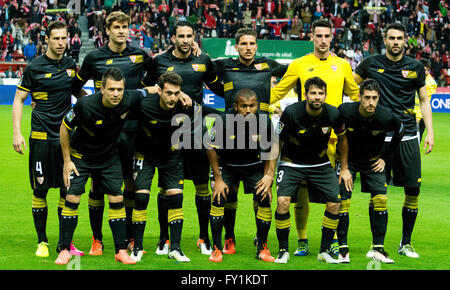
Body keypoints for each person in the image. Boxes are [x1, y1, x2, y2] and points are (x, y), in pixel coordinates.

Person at [269, 19, 359, 257]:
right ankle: (302, 239)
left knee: (339, 193)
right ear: (312, 37)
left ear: (332, 37)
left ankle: (334, 240)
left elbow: (356, 93)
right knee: (301, 193)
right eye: (318, 36)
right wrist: (247, 101)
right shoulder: (299, 64)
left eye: (326, 36)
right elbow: (278, 91)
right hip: (307, 138)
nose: (322, 40)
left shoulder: (342, 65)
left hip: (334, 139)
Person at [71, 11, 150, 256]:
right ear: (107, 30)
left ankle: (127, 240)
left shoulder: (140, 55)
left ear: (129, 29)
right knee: (96, 186)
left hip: (134, 131)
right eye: (116, 27)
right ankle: (97, 240)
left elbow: (160, 75)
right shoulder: (94, 57)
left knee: (129, 184)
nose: (121, 31)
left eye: (125, 27)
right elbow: (75, 87)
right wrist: (91, 107)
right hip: (103, 134)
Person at [142, 20, 223, 256]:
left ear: (194, 37)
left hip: (195, 132)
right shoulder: (160, 62)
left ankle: (203, 237)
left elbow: (219, 88)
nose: (185, 40)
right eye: (181, 36)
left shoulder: (203, 60)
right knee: (165, 190)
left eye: (189, 36)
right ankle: (164, 238)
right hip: (166, 134)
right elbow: (145, 87)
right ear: (173, 37)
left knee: (201, 188)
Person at [353, 22, 434, 258]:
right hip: (378, 137)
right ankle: (376, 245)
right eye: (392, 38)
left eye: (400, 38)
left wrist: (429, 131)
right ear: (384, 39)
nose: (396, 42)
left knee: (413, 190)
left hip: (408, 135)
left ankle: (405, 243)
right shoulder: (370, 63)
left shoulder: (416, 67)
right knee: (378, 192)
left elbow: (423, 100)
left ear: (405, 40)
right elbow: (352, 87)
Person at [55, 67, 146, 265]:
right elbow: (64, 127)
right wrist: (67, 160)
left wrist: (181, 93)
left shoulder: (129, 98)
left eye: (120, 90)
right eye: (112, 89)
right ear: (102, 89)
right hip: (81, 156)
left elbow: (152, 90)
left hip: (108, 157)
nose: (116, 94)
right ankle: (64, 250)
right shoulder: (84, 105)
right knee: (72, 197)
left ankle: (120, 251)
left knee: (117, 198)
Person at [211, 27, 288, 254]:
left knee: (261, 191)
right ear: (236, 47)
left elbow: (296, 72)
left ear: (256, 45)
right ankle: (228, 239)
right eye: (243, 44)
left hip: (258, 131)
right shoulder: (224, 65)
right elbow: (203, 69)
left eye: (251, 44)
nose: (248, 48)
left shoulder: (268, 65)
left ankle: (261, 242)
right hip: (230, 131)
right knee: (228, 193)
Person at [12, 20, 83, 258]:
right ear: (47, 40)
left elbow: (77, 92)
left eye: (64, 38)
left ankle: (65, 243)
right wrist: (16, 132)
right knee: (40, 191)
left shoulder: (71, 65)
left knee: (67, 191)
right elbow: (19, 100)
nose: (61, 43)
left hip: (66, 139)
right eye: (56, 39)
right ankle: (42, 241)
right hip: (41, 139)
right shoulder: (34, 68)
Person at [266, 76, 352, 264]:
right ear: (305, 95)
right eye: (313, 93)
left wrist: (344, 168)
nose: (317, 97)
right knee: (282, 202)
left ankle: (324, 251)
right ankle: (283, 250)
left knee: (335, 203)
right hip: (291, 163)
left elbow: (344, 140)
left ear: (326, 95)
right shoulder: (290, 113)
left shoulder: (333, 114)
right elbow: (276, 141)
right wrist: (270, 174)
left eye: (321, 93)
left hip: (320, 164)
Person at [130, 72, 198, 263]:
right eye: (168, 93)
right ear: (159, 91)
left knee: (176, 197)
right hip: (145, 155)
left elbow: (205, 114)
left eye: (176, 93)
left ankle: (175, 248)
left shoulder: (185, 106)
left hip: (171, 155)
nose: (173, 97)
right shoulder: (144, 105)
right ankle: (138, 248)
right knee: (141, 197)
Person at [337, 79, 405, 264]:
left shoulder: (386, 116)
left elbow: (400, 131)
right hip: (348, 161)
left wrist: (385, 157)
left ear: (379, 98)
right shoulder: (345, 111)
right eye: (367, 97)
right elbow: (332, 126)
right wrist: (342, 166)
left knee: (381, 200)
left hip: (373, 162)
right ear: (359, 97)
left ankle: (378, 249)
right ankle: (342, 248)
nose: (370, 102)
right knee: (343, 202)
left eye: (374, 98)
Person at [205, 88, 275, 263]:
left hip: (253, 166)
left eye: (252, 106)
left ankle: (262, 248)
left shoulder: (263, 120)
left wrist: (268, 175)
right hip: (227, 166)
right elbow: (210, 147)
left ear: (257, 105)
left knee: (264, 198)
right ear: (236, 106)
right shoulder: (222, 120)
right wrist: (218, 179)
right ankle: (219, 246)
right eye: (244, 106)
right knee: (219, 197)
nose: (248, 110)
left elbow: (272, 148)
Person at [414, 58, 437, 142]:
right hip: (409, 115)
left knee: (414, 145)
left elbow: (423, 102)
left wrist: (418, 118)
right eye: (424, 70)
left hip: (419, 118)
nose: (426, 72)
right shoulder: (414, 77)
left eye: (427, 70)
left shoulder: (431, 83)